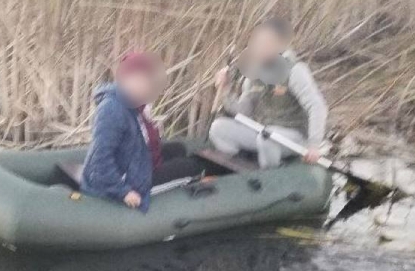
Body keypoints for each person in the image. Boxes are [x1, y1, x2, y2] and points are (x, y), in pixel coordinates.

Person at [81, 52, 202, 211]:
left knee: (179, 149)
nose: (144, 86)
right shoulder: (111, 110)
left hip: (134, 161)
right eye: (138, 80)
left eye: (147, 81)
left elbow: (138, 137)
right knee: (191, 166)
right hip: (127, 179)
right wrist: (124, 191)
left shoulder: (133, 104)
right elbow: (100, 160)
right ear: (124, 79)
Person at [210, 17, 330, 168]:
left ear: (280, 45)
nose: (258, 48)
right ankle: (240, 166)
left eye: (266, 43)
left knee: (267, 138)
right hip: (264, 131)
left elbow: (317, 107)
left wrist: (314, 145)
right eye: (256, 42)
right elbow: (243, 112)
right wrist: (225, 90)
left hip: (294, 137)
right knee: (218, 128)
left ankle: (271, 172)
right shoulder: (255, 74)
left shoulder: (295, 71)